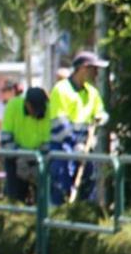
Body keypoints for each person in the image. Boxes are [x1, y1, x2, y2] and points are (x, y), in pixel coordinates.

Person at [47, 51, 109, 204]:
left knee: (87, 187)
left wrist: (102, 117)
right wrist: (75, 144)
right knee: (62, 189)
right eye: (94, 69)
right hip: (63, 149)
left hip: (85, 149)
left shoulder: (92, 93)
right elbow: (60, 123)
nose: (96, 73)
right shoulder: (61, 90)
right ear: (83, 69)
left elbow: (100, 111)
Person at [0, 86, 51, 203]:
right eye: (35, 109)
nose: (38, 112)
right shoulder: (12, 106)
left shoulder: (48, 109)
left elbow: (48, 143)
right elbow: (6, 140)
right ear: (27, 104)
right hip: (15, 157)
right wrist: (20, 157)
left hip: (39, 159)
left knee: (44, 198)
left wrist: (35, 160)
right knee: (14, 196)